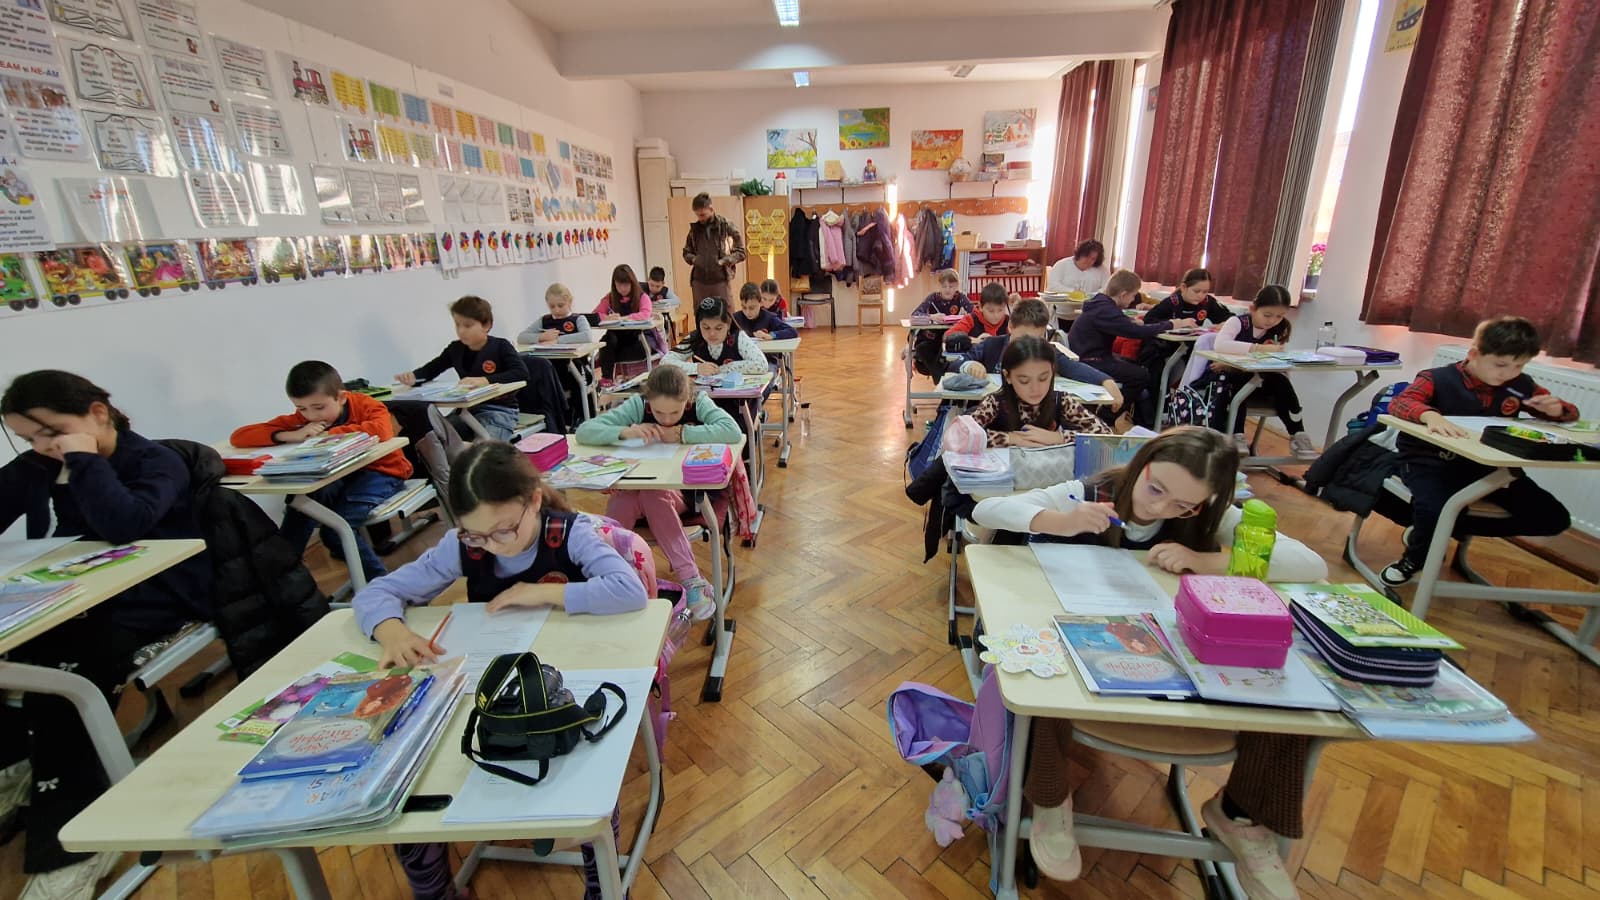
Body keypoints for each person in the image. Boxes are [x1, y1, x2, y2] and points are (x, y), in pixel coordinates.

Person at [971, 427, 1326, 900]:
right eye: (1156, 489)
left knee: (1289, 685)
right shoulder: (1093, 493)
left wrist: (1208, 561)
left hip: (1169, 652)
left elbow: (1310, 565)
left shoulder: (1209, 516)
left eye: (1184, 506)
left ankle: (1240, 816)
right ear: (1142, 465)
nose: (1162, 509)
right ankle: (1050, 799)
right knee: (1044, 666)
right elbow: (986, 510)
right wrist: (1060, 520)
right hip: (1090, 646)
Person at [352, 441, 648, 900]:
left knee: (588, 778)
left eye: (503, 531)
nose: (490, 545)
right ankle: (435, 891)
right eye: (476, 536)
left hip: (563, 684)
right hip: (488, 688)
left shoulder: (569, 533)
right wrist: (390, 630)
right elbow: (376, 593)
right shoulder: (460, 546)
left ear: (534, 500)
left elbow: (629, 591)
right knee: (414, 778)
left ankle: (601, 884)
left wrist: (541, 592)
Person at [0, 371, 212, 899]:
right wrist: (41, 460)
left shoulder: (155, 460)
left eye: (51, 432)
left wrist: (84, 460)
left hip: (157, 593)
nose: (43, 447)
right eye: (29, 439)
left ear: (98, 413)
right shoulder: (45, 462)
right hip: (79, 595)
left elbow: (124, 525)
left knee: (61, 682)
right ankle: (19, 764)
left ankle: (75, 845)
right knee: (16, 663)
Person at [1380, 315, 1579, 587]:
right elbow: (1401, 403)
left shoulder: (1519, 385)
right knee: (1435, 509)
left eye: (1519, 366)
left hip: (1488, 469)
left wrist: (1557, 410)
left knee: (1553, 518)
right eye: (1501, 364)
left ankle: (1438, 531)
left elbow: (1567, 412)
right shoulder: (1437, 378)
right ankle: (1415, 559)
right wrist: (1430, 415)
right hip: (1432, 464)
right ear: (1474, 354)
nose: (1508, 373)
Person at [576, 366, 743, 619]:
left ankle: (690, 578)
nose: (666, 419)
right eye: (658, 412)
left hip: (686, 493)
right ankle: (611, 572)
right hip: (640, 489)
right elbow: (584, 432)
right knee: (627, 495)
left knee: (652, 495)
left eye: (675, 412)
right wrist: (624, 431)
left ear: (686, 399)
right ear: (648, 401)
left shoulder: (698, 402)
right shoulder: (638, 404)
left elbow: (731, 430)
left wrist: (681, 433)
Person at [230, 360, 411, 582]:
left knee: (335, 531)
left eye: (319, 407)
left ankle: (381, 582)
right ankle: (283, 574)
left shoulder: (366, 405)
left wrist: (328, 434)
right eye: (301, 408)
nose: (311, 416)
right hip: (339, 476)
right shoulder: (303, 419)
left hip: (382, 473)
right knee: (303, 503)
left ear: (341, 397)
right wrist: (290, 435)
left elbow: (382, 430)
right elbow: (239, 436)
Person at [1193, 285, 1315, 458]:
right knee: (1237, 380)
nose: (1272, 321)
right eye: (1267, 315)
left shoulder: (1278, 329)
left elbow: (1274, 359)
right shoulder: (1237, 323)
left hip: (1259, 378)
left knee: (1282, 382)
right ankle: (1237, 435)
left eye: (1279, 316)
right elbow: (1220, 345)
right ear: (1253, 309)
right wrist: (1258, 349)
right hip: (1227, 380)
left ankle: (1298, 434)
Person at [1067, 269, 1194, 428]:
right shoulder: (1107, 310)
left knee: (1137, 365)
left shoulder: (1100, 303)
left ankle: (1140, 419)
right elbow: (1136, 333)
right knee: (1140, 375)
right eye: (1133, 295)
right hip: (1091, 360)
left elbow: (1122, 324)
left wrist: (1130, 322)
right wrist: (1172, 324)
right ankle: (1107, 416)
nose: (1133, 299)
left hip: (1088, 354)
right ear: (1123, 294)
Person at [955, 298, 1124, 414]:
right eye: (1023, 337)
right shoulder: (992, 345)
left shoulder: (1045, 350)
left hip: (1033, 416)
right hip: (993, 412)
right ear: (1011, 327)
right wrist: (969, 366)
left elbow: (1073, 367)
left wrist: (1105, 380)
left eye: (1037, 338)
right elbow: (955, 363)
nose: (1030, 345)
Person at [396, 295, 529, 441]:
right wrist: (414, 377)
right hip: (466, 412)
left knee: (485, 450)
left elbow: (521, 373)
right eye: (457, 325)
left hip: (499, 412)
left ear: (486, 325)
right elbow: (432, 369)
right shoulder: (455, 349)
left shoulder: (501, 346)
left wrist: (485, 380)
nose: (461, 331)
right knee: (436, 439)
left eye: (467, 325)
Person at [967, 337, 1110, 447]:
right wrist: (1010, 438)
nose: (1035, 389)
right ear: (1007, 376)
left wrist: (1059, 437)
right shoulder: (995, 403)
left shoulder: (1061, 401)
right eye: (1024, 381)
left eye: (1043, 378)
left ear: (1052, 372)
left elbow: (1106, 436)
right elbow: (962, 436)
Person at [1138, 267, 1231, 395]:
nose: (1201, 295)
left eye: (1205, 292)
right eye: (1196, 291)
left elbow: (1230, 318)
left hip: (1189, 347)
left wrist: (1225, 324)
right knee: (1155, 366)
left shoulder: (1208, 302)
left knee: (1211, 365)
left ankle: (1192, 399)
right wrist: (1176, 323)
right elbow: (1148, 320)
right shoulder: (1172, 302)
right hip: (1162, 347)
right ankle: (1160, 401)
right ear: (1183, 287)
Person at [666, 296, 770, 377]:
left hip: (737, 396)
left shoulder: (738, 338)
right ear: (698, 325)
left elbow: (762, 365)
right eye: (706, 328)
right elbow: (665, 362)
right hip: (704, 395)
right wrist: (696, 368)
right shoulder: (695, 338)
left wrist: (724, 369)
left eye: (718, 328)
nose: (712, 334)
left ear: (728, 325)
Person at [594, 263, 663, 385]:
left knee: (607, 351)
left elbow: (645, 314)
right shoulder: (610, 298)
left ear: (632, 283)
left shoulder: (642, 297)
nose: (622, 288)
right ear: (614, 284)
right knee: (606, 341)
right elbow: (595, 315)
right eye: (619, 285)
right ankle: (607, 379)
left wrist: (624, 318)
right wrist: (607, 318)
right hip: (616, 342)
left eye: (626, 284)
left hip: (637, 340)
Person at [681, 192, 746, 303]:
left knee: (725, 311)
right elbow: (686, 252)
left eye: (702, 215)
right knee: (701, 312)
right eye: (697, 215)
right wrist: (695, 259)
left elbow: (741, 252)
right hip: (699, 281)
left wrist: (724, 261)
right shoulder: (694, 230)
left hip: (721, 280)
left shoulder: (726, 226)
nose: (700, 218)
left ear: (711, 209)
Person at [518, 282, 593, 345]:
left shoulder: (578, 319)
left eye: (560, 305)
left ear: (570, 302)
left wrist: (558, 340)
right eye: (552, 306)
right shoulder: (544, 320)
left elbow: (587, 336)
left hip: (573, 357)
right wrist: (541, 337)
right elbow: (521, 338)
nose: (556, 310)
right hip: (547, 356)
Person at [733, 281, 797, 341]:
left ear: (761, 302)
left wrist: (771, 335)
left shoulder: (770, 318)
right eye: (744, 307)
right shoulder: (735, 318)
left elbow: (792, 331)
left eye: (752, 308)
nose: (747, 312)